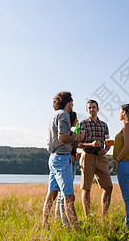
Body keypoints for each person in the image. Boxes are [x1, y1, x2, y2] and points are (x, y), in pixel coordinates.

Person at [42, 91, 84, 231]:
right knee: (69, 197)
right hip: (61, 157)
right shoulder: (64, 115)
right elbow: (62, 137)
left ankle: (45, 226)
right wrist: (76, 137)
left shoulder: (54, 116)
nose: (73, 105)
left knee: (52, 194)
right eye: (72, 102)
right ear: (68, 102)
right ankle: (77, 232)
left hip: (53, 158)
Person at [77, 99, 113, 217]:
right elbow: (78, 144)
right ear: (87, 110)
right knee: (86, 188)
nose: (92, 109)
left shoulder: (104, 125)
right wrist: (91, 145)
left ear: (98, 109)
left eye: (94, 107)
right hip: (87, 157)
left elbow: (108, 142)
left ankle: (104, 216)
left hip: (101, 158)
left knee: (108, 187)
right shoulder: (82, 124)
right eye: (89, 108)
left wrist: (106, 150)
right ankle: (88, 217)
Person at [113, 103, 129, 227]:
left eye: (120, 111)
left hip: (124, 163)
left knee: (127, 197)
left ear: (124, 113)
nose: (118, 113)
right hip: (126, 163)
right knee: (127, 196)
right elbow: (124, 144)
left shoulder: (127, 126)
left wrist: (117, 160)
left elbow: (127, 146)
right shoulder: (127, 127)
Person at [54, 111, 81, 226]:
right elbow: (65, 149)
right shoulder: (68, 135)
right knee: (65, 195)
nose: (77, 121)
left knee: (61, 194)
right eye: (76, 119)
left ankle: (57, 219)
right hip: (68, 163)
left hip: (70, 162)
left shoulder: (70, 133)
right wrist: (73, 158)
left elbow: (72, 148)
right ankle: (66, 223)